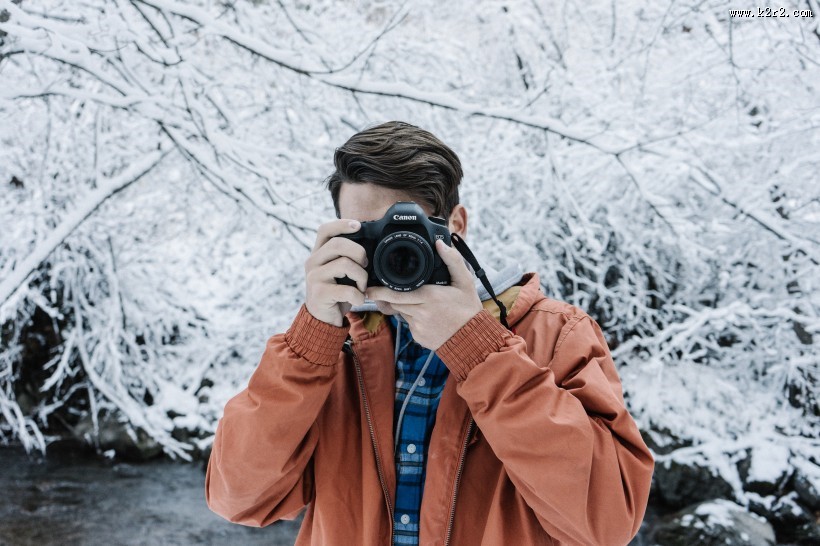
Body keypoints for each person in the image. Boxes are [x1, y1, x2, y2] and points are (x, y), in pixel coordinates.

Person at [205, 121, 654, 545]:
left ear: (455, 226)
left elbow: (607, 522)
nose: (390, 252)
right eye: (368, 235)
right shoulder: (330, 349)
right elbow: (238, 498)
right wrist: (312, 338)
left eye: (406, 233)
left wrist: (478, 350)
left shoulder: (555, 335)